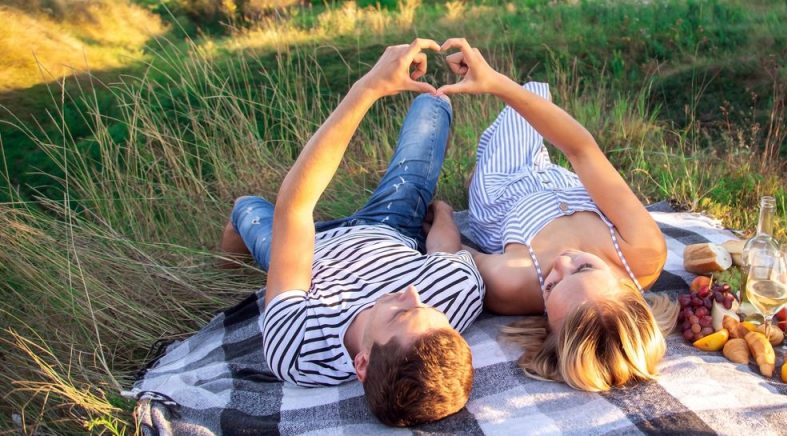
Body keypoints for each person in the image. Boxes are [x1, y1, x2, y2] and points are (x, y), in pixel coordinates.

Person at [219, 39, 484, 427]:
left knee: (246, 208)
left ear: (362, 363)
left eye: (400, 314)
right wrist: (442, 211)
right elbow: (446, 256)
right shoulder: (451, 304)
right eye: (428, 309)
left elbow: (295, 209)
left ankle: (220, 272)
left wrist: (368, 87)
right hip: (389, 226)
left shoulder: (297, 349)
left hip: (305, 251)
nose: (413, 294)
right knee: (434, 104)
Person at [433, 38, 672, 392]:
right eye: (584, 267)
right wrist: (495, 81)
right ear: (628, 291)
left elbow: (446, 259)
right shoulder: (644, 251)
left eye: (552, 284)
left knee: (524, 107)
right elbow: (581, 150)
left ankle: (476, 176)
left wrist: (443, 212)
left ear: (548, 321)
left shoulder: (512, 282)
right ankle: (503, 154)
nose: (561, 263)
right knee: (533, 99)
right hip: (555, 175)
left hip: (502, 190)